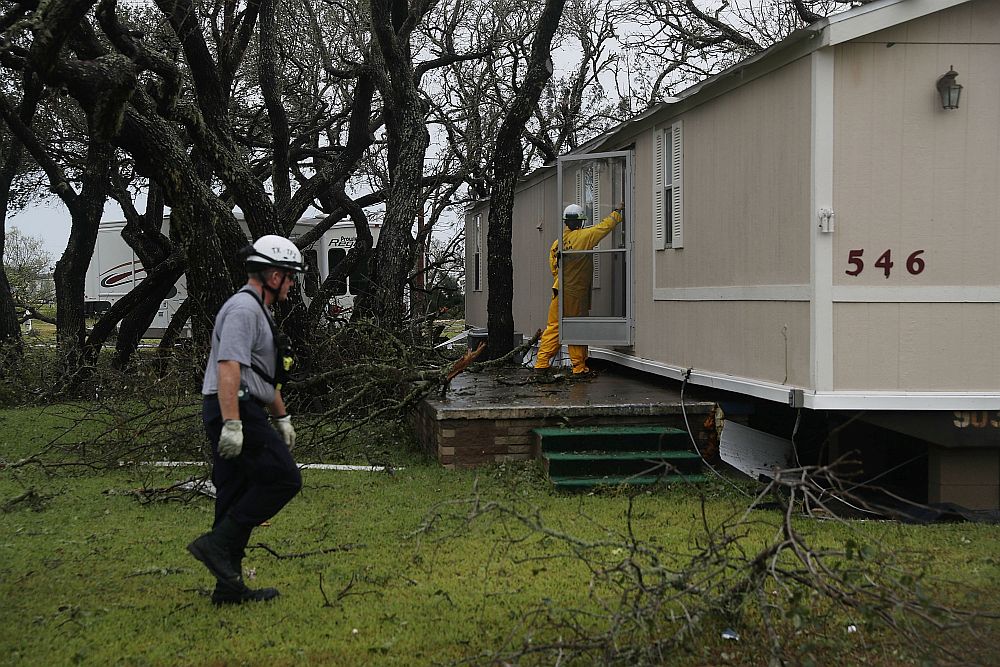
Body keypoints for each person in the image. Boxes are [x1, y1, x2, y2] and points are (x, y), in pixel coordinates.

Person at [188, 235, 305, 605]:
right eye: (288, 276)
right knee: (285, 477)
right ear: (272, 275)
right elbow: (229, 368)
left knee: (233, 491)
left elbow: (263, 378)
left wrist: (282, 417)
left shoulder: (260, 311)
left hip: (240, 404)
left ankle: (228, 588)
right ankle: (217, 545)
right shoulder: (243, 309)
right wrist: (233, 423)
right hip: (233, 405)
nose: (291, 283)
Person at [535, 203, 623, 376]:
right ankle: (579, 367)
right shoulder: (584, 237)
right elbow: (604, 227)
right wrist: (618, 212)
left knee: (554, 326)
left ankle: (541, 363)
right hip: (575, 292)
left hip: (559, 290)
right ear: (581, 222)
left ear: (566, 222)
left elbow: (554, 268)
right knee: (576, 327)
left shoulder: (557, 243)